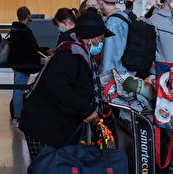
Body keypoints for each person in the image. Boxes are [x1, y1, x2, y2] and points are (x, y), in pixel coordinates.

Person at [19, 11, 114, 160]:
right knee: (46, 169)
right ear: (92, 37)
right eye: (102, 38)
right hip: (43, 127)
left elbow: (75, 85)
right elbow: (57, 87)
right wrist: (86, 110)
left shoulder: (80, 53)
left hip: (54, 127)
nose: (102, 42)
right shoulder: (70, 54)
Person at [8, 6, 49, 126]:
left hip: (17, 64)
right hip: (24, 65)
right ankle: (18, 116)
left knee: (17, 90)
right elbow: (33, 48)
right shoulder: (25, 31)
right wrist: (45, 51)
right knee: (19, 91)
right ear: (28, 16)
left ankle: (17, 115)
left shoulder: (15, 29)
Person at [97, 0, 129, 73]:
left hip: (115, 73)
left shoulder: (112, 23)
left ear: (100, 2)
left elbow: (110, 55)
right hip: (123, 69)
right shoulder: (123, 16)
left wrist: (103, 77)